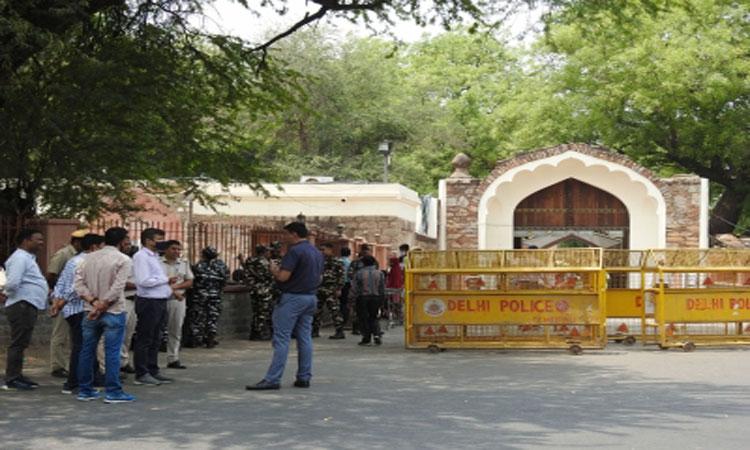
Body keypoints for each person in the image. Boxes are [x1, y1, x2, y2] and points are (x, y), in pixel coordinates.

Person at [246, 222, 324, 390]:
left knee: (282, 338)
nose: (284, 238)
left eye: (286, 234)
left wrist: (273, 269)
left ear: (294, 234)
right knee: (305, 337)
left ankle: (273, 378)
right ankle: (304, 376)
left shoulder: (294, 251)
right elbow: (319, 278)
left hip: (292, 297)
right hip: (310, 296)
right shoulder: (316, 252)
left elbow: (283, 277)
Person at [73, 227, 136, 403]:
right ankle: (113, 391)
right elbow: (118, 287)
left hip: (90, 310)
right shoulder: (123, 259)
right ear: (122, 241)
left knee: (87, 350)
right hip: (113, 310)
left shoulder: (87, 258)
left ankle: (85, 389)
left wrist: (94, 302)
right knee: (112, 351)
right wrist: (103, 304)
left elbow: (78, 285)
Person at [49, 233, 105, 394]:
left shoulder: (73, 261)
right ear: (94, 247)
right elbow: (76, 287)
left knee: (86, 345)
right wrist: (61, 302)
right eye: (102, 247)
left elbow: (61, 283)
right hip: (79, 308)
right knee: (82, 347)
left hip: (73, 310)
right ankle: (73, 382)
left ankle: (92, 378)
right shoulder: (85, 262)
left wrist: (57, 300)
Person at [2, 228, 47, 391]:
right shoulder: (20, 258)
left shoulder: (28, 258)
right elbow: (13, 283)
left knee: (22, 342)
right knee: (18, 342)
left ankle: (17, 375)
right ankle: (12, 378)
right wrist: (6, 294)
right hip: (22, 304)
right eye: (38, 239)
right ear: (26, 241)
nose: (41, 243)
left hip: (27, 303)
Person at [132, 228, 175, 386]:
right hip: (149, 300)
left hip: (160, 299)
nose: (162, 242)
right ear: (149, 240)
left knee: (156, 337)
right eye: (158, 239)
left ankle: (152, 368)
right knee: (145, 337)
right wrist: (164, 280)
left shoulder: (155, 256)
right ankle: (141, 372)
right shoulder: (141, 257)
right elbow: (143, 281)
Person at [47, 228, 88, 379]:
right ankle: (57, 366)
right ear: (77, 242)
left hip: (76, 303)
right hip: (62, 299)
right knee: (60, 334)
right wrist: (57, 297)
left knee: (75, 338)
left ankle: (71, 366)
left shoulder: (81, 257)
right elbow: (52, 275)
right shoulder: (64, 254)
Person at [161, 240, 193, 369]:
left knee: (175, 329)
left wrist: (176, 287)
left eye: (179, 249)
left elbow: (189, 281)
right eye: (174, 249)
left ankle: (173, 358)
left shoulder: (183, 264)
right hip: (160, 299)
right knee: (155, 331)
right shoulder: (157, 263)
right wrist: (173, 291)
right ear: (166, 250)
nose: (177, 252)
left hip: (178, 300)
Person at [189, 246, 228, 348]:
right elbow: (225, 280)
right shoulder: (221, 265)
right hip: (215, 295)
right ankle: (210, 338)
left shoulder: (198, 266)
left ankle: (196, 339)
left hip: (200, 295)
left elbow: (193, 279)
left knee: (198, 316)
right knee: (212, 317)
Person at [350, 255, 385, 346]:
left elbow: (354, 287)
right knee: (374, 316)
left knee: (363, 318)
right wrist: (382, 299)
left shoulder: (359, 273)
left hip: (363, 298)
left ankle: (366, 337)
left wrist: (352, 298)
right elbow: (382, 287)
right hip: (376, 297)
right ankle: (377, 335)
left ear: (363, 263)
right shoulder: (379, 273)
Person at [314, 243, 345, 339]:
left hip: (331, 289)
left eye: (323, 249)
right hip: (319, 288)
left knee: (334, 310)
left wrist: (339, 288)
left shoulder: (337, 262)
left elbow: (341, 276)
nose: (321, 252)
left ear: (330, 250)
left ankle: (339, 330)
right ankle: (314, 330)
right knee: (316, 311)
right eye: (320, 250)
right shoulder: (318, 261)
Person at [347, 245, 379, 335]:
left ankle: (371, 331)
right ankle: (358, 328)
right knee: (359, 312)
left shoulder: (374, 262)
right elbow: (350, 275)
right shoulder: (356, 263)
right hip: (360, 291)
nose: (367, 253)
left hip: (369, 291)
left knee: (370, 313)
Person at [244, 245, 274, 341]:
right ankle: (261, 333)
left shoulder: (250, 260)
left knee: (256, 311)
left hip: (254, 289)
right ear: (264, 252)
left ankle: (254, 333)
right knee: (263, 312)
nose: (269, 253)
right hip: (264, 289)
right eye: (267, 251)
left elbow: (246, 272)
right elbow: (269, 276)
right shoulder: (264, 262)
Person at [338, 247, 352, 331]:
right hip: (347, 284)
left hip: (337, 284)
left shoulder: (338, 261)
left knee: (338, 303)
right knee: (345, 302)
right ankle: (344, 320)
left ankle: (338, 320)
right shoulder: (350, 263)